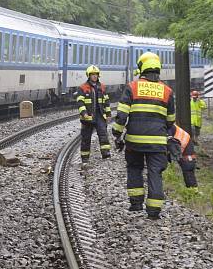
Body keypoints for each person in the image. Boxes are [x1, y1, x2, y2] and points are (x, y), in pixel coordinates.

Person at [112, 52, 176, 220]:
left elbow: (122, 115)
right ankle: (154, 211)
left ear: (141, 68)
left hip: (135, 141)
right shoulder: (167, 91)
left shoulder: (132, 87)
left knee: (134, 168)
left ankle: (135, 204)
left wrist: (117, 133)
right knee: (155, 172)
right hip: (158, 142)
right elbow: (171, 120)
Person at [75, 65, 112, 166]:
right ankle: (85, 158)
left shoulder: (102, 87)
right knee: (86, 138)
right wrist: (84, 113)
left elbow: (107, 102)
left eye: (96, 74)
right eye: (92, 75)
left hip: (100, 115)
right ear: (88, 75)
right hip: (88, 117)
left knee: (103, 134)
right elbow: (80, 102)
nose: (95, 76)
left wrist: (108, 114)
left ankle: (106, 154)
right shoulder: (83, 88)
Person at [167, 123, 199, 193]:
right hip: (182, 144)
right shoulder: (164, 123)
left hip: (185, 144)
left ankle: (193, 192)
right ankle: (192, 191)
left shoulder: (165, 125)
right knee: (188, 167)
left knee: (188, 167)